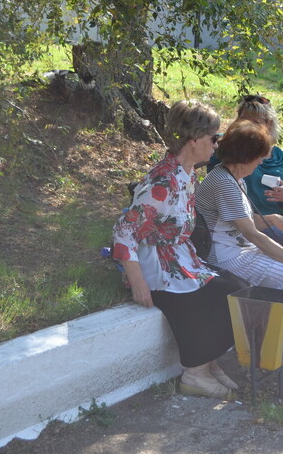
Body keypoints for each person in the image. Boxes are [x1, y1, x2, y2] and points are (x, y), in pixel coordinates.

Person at [111, 100, 241, 401]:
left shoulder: (186, 174)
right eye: (214, 137)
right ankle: (195, 373)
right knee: (224, 294)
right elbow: (123, 230)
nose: (216, 144)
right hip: (158, 269)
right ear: (194, 140)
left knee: (236, 288)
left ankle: (209, 364)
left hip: (180, 261)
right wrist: (137, 280)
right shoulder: (163, 182)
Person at [196, 120, 283, 293]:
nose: (260, 163)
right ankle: (272, 319)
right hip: (224, 255)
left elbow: (243, 221)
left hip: (239, 249)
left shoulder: (234, 177)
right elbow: (252, 233)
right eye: (258, 158)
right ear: (244, 158)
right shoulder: (224, 182)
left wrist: (270, 219)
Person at [209, 94, 283, 250]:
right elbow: (194, 155)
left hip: (274, 219)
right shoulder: (227, 147)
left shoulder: (278, 155)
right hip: (247, 224)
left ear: (269, 124)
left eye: (255, 122)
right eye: (244, 120)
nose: (249, 126)